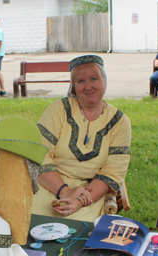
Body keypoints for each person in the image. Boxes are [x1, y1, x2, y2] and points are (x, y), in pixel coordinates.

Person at [31, 55, 131, 221]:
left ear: (104, 83)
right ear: (73, 88)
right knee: (31, 224)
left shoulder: (120, 122)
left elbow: (113, 172)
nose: (88, 86)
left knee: (79, 234)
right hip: (49, 185)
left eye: (93, 78)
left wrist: (79, 200)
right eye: (80, 81)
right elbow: (39, 155)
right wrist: (65, 191)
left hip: (90, 192)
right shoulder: (58, 109)